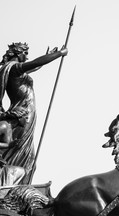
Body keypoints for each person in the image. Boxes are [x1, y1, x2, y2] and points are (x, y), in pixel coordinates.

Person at [0, 42, 68, 185]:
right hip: (23, 116)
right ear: (18, 54)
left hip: (27, 115)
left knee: (27, 158)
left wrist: (48, 56)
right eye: (25, 53)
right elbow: (35, 62)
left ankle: (16, 186)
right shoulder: (14, 68)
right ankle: (11, 187)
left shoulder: (14, 70)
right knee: (25, 157)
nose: (26, 56)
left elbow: (35, 65)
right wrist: (59, 54)